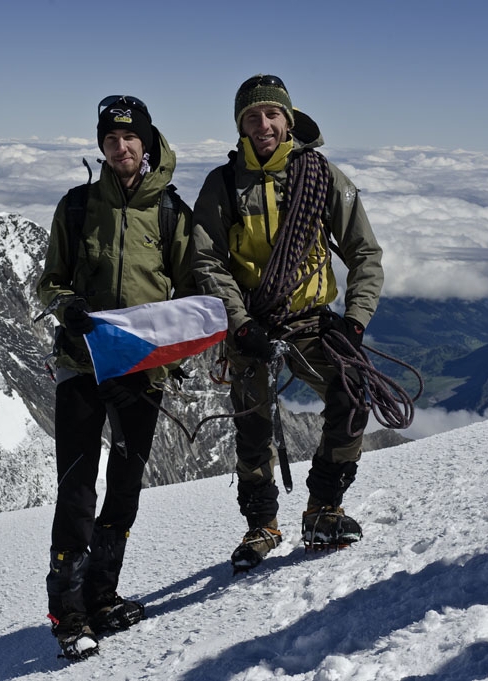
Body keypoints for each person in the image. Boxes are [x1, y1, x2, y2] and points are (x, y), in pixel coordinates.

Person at [190, 74, 384, 571]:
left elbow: (365, 253)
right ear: (241, 125)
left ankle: (324, 505)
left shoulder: (322, 177)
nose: (264, 125)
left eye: (272, 114)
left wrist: (354, 322)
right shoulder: (222, 185)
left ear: (288, 119)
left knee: (353, 393)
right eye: (252, 117)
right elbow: (207, 261)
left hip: (310, 320)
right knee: (253, 429)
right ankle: (261, 525)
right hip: (251, 323)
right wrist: (239, 324)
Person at [36, 95, 194, 660]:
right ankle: (68, 611)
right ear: (102, 146)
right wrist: (67, 305)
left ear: (147, 143)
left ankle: (102, 595)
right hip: (81, 365)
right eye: (111, 139)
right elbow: (48, 280)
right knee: (77, 490)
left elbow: (192, 286)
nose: (122, 147)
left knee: (124, 488)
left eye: (131, 138)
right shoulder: (77, 207)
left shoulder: (172, 212)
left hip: (141, 372)